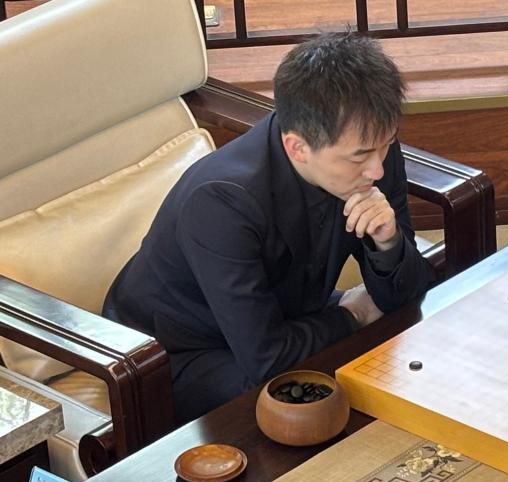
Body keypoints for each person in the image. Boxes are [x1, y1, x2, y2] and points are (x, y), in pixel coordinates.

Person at [103, 33, 435, 423]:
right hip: (175, 352)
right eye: (361, 156)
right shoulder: (221, 203)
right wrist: (352, 315)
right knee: (304, 402)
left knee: (403, 354)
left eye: (387, 144)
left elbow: (406, 296)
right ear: (298, 147)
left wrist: (388, 242)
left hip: (284, 313)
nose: (377, 169)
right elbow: (268, 359)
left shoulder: (369, 148)